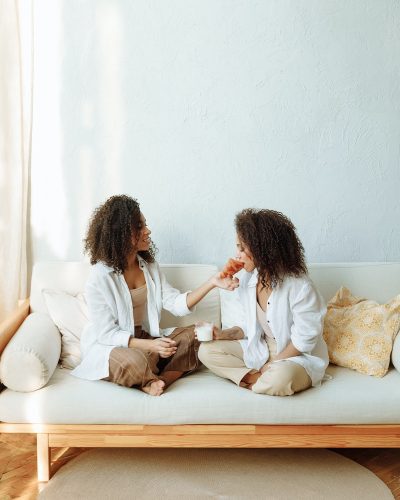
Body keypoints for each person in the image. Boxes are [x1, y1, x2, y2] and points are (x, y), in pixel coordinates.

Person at [71, 195, 237, 396]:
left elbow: (175, 303)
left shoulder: (149, 267)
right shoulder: (99, 277)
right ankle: (149, 374)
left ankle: (157, 381)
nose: (147, 231)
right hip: (113, 345)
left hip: (146, 336)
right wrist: (150, 346)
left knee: (196, 335)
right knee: (134, 361)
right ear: (121, 234)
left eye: (145, 225)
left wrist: (212, 283)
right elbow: (106, 334)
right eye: (139, 227)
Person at [198, 208, 329, 396]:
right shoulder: (248, 279)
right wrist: (223, 334)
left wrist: (274, 363)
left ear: (263, 249)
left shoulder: (300, 286)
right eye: (238, 248)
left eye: (242, 248)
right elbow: (248, 326)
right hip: (261, 348)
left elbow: (304, 341)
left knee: (282, 377)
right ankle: (257, 380)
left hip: (296, 356)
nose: (237, 255)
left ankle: (258, 380)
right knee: (207, 351)